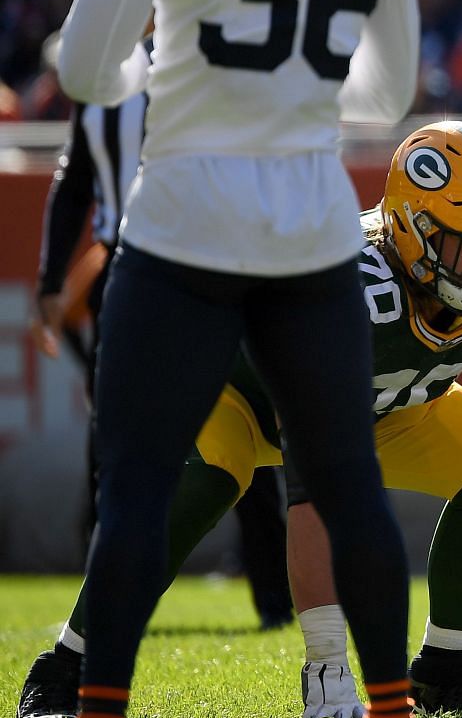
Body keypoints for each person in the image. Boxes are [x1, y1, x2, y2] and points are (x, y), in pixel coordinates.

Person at [51, 0, 429, 718]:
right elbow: (391, 95)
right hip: (311, 222)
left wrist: (162, 79)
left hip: (180, 221)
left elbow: (85, 69)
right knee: (348, 488)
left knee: (133, 491)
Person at [16, 123, 462, 718]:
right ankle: (66, 666)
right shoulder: (345, 282)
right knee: (191, 495)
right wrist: (328, 665)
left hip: (386, 407)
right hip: (232, 392)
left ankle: (446, 672)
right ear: (411, 231)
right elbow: (314, 481)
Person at [31, 88, 293, 629]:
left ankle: (273, 596)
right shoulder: (102, 86)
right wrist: (52, 278)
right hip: (129, 270)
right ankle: (100, 607)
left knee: (245, 424)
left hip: (209, 267)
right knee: (115, 447)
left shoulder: (201, 71)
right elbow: (77, 177)